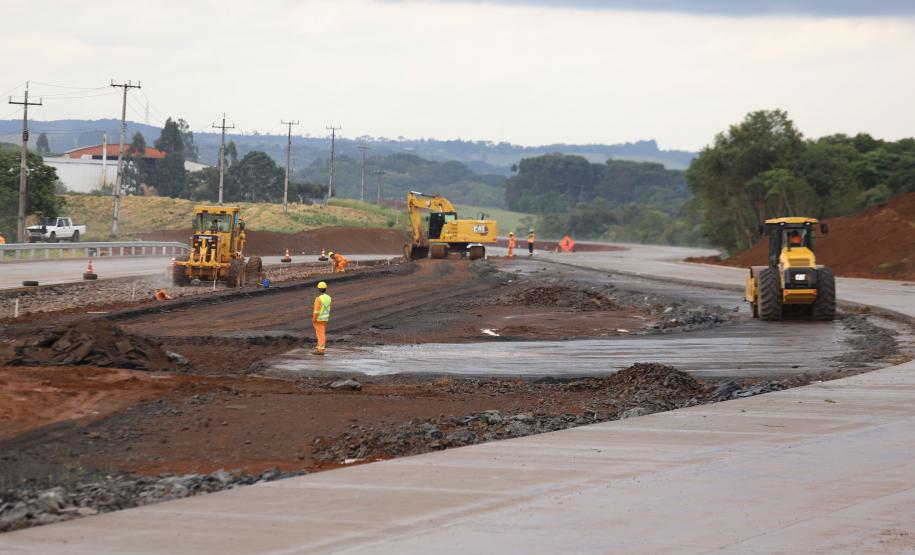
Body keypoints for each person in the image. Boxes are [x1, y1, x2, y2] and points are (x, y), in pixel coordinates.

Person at [312, 281, 332, 355]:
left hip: (318, 319)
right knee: (320, 333)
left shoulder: (318, 299)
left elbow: (316, 311)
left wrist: (314, 319)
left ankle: (321, 349)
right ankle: (319, 347)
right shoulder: (328, 298)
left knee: (320, 334)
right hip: (325, 318)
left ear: (318, 289)